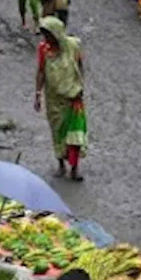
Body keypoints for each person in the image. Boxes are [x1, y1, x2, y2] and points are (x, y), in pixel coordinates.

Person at [35, 17, 87, 179]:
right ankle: (61, 164)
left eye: (49, 35)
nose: (47, 39)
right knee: (57, 131)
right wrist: (37, 93)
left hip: (73, 97)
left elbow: (79, 66)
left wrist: (79, 85)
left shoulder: (73, 46)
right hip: (54, 99)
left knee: (74, 135)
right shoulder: (44, 50)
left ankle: (74, 168)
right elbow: (41, 71)